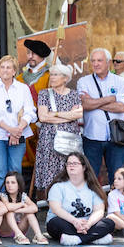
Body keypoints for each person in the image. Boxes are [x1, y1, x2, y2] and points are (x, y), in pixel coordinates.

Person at [0, 55, 36, 194]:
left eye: (8, 67)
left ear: (14, 71)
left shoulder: (23, 88)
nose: (5, 70)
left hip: (18, 135)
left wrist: (18, 130)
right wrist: (10, 129)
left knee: (15, 171)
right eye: (2, 67)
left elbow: (30, 112)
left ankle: (15, 207)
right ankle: (1, 206)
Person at [78, 48, 124, 183]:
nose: (96, 64)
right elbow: (85, 105)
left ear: (108, 63)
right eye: (93, 61)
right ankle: (95, 204)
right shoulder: (84, 81)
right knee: (91, 178)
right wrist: (111, 98)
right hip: (92, 136)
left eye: (99, 60)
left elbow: (122, 107)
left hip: (116, 137)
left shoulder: (120, 81)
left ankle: (114, 203)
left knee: (117, 177)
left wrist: (94, 101)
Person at [45, 151, 115, 246]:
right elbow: (56, 209)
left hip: (87, 225)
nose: (71, 166)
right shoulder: (58, 187)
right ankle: (94, 238)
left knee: (109, 223)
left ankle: (76, 239)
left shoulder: (92, 187)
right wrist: (75, 221)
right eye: (68, 163)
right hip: (66, 223)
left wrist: (88, 224)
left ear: (84, 167)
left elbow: (99, 211)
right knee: (55, 223)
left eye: (75, 163)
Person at [35, 64, 82, 195]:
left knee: (69, 169)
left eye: (56, 74)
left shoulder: (74, 94)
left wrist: (54, 113)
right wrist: (68, 116)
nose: (52, 77)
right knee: (50, 172)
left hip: (70, 139)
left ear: (65, 78)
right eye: (52, 74)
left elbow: (78, 114)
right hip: (49, 139)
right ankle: (52, 205)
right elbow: (43, 117)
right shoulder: (44, 94)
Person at [0, 172, 47, 244]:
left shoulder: (23, 196)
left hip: (21, 228)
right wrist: (22, 204)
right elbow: (9, 207)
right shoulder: (3, 195)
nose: (9, 185)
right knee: (9, 212)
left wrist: (19, 210)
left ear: (19, 185)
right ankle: (18, 235)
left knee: (29, 213)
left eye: (13, 182)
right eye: (7, 183)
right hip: (6, 230)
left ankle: (38, 235)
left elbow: (35, 208)